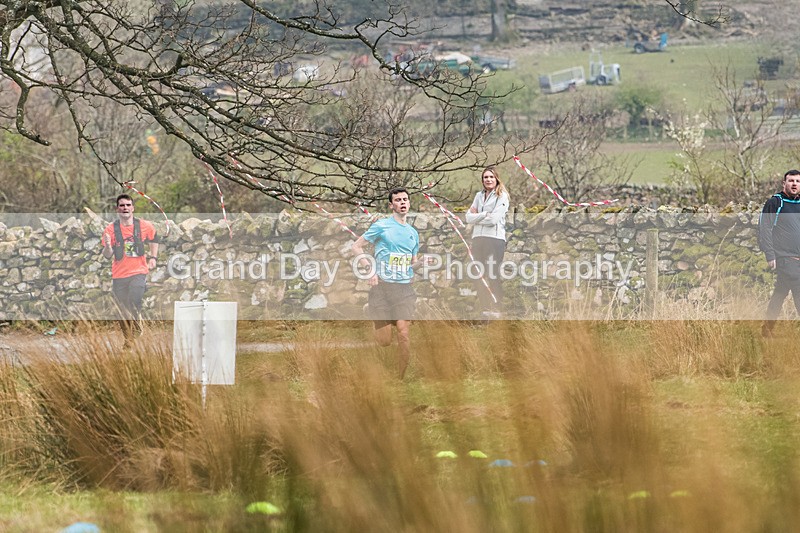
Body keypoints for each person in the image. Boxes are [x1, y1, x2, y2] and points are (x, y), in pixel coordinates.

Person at [352, 187, 428, 378]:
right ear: (391, 205)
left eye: (405, 199)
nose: (402, 203)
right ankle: (374, 313)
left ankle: (400, 378)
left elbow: (412, 264)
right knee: (384, 341)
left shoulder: (413, 233)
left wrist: (421, 263)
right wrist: (370, 270)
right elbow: (356, 246)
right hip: (382, 288)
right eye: (398, 200)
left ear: (409, 203)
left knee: (403, 333)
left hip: (404, 289)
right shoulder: (382, 226)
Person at [101, 194, 159, 347]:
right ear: (117, 209)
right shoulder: (110, 229)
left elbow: (154, 239)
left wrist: (153, 258)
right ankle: (128, 340)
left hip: (139, 271)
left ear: (133, 208)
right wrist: (107, 246)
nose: (125, 208)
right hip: (119, 274)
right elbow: (107, 255)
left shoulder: (144, 226)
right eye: (122, 205)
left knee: (135, 297)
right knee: (122, 310)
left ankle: (138, 322)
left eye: (128, 205)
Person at [758, 169, 800, 337]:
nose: (794, 184)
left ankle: (767, 330)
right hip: (785, 258)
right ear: (784, 184)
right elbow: (764, 228)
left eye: (797, 181)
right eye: (791, 181)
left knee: (780, 293)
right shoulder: (776, 202)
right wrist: (770, 254)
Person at [465, 165, 510, 319]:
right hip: (478, 239)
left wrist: (477, 217)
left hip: (495, 240)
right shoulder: (479, 196)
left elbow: (494, 220)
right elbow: (467, 217)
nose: (488, 179)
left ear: (496, 178)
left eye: (491, 177)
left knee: (492, 274)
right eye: (485, 177)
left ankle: (497, 309)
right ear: (482, 180)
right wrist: (485, 214)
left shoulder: (501, 196)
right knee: (478, 274)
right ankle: (485, 309)